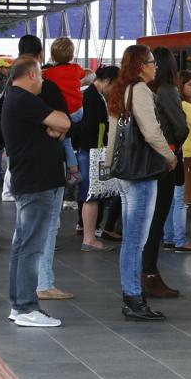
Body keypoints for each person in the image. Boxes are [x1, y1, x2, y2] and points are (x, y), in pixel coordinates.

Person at [106, 45, 177, 321]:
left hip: (125, 173)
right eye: (151, 62)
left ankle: (132, 295)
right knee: (136, 240)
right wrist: (169, 157)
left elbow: (114, 134)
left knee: (130, 239)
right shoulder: (141, 91)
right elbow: (151, 131)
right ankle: (134, 299)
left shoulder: (119, 90)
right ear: (140, 66)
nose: (155, 66)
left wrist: (112, 165)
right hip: (142, 175)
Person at [3, 56, 72, 327]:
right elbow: (64, 122)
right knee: (31, 247)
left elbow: (60, 127)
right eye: (41, 75)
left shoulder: (13, 97)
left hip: (29, 181)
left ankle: (19, 305)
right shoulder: (25, 99)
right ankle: (25, 307)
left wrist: (55, 129)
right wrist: (55, 129)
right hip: (37, 183)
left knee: (23, 246)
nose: (43, 81)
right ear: (31, 74)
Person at [140, 47, 189, 299]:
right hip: (164, 162)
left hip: (146, 164)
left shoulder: (142, 90)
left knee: (146, 221)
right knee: (157, 219)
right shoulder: (167, 90)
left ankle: (144, 274)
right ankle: (148, 274)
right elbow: (181, 128)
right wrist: (172, 151)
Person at [76, 65, 120, 253]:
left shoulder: (92, 95)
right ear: (108, 81)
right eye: (116, 85)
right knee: (91, 195)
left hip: (90, 150)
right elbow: (95, 128)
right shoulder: (93, 98)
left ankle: (89, 235)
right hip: (91, 151)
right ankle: (89, 238)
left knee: (91, 194)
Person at [42, 37, 93, 186]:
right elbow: (86, 74)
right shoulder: (76, 68)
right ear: (71, 55)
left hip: (66, 113)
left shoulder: (50, 73)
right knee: (68, 141)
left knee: (66, 142)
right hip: (79, 111)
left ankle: (73, 171)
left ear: (52, 56)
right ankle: (73, 170)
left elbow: (41, 76)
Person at [162, 70, 191, 253]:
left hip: (176, 155)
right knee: (181, 201)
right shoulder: (186, 107)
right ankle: (180, 240)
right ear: (181, 86)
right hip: (186, 157)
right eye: (190, 84)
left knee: (172, 200)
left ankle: (169, 237)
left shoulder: (176, 103)